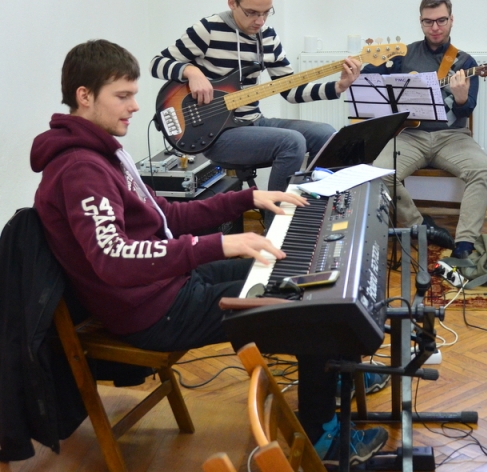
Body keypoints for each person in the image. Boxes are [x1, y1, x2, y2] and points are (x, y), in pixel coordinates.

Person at [31, 39, 387, 466]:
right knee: (307, 307)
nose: (135, 107)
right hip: (153, 311)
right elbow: (115, 258)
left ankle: (332, 379)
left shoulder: (103, 152)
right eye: (122, 96)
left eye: (134, 95)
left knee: (301, 279)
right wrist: (218, 243)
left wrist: (247, 198)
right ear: (84, 96)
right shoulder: (80, 169)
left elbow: (166, 215)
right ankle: (322, 440)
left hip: (168, 285)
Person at [151, 0, 362, 193]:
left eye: (266, 13)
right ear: (232, 3)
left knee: (327, 134)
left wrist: (338, 86)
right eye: (251, 13)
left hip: (254, 122)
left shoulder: (268, 36)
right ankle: (277, 212)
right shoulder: (208, 30)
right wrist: (191, 72)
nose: (260, 21)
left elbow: (290, 90)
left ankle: (319, 205)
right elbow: (157, 63)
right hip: (217, 135)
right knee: (292, 142)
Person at [362, 0, 487, 259]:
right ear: (420, 22)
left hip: (452, 137)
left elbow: (467, 109)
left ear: (451, 20)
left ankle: (465, 243)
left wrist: (461, 98)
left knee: (483, 170)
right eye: (428, 21)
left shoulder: (465, 62)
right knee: (379, 173)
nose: (435, 27)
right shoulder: (403, 55)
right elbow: (368, 84)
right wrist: (374, 63)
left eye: (441, 20)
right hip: (410, 134)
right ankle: (420, 227)